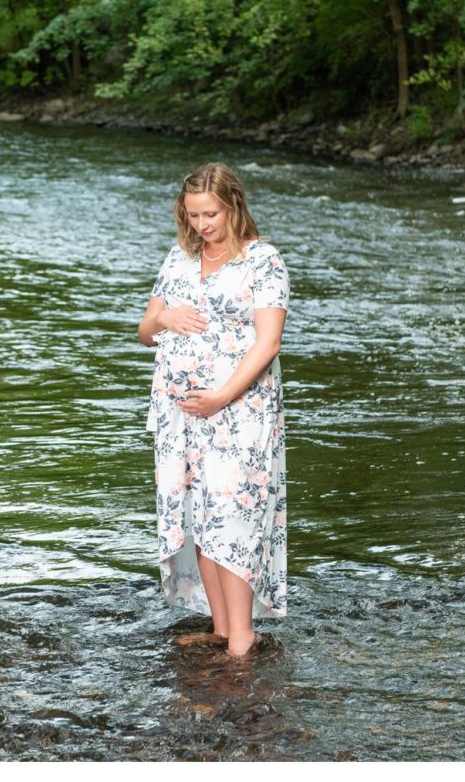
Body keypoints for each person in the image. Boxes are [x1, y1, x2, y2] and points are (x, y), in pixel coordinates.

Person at [138, 162, 288, 658]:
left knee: (232, 513)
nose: (202, 225)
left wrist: (223, 395)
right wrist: (165, 316)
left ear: (233, 206)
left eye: (210, 214)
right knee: (199, 517)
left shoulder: (262, 261)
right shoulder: (180, 258)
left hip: (238, 410)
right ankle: (221, 629)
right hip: (178, 416)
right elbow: (144, 331)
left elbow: (267, 343)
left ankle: (242, 640)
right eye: (193, 215)